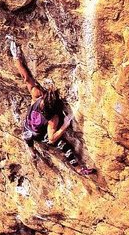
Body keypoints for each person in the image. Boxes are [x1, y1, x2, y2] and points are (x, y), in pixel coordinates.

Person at [8, 37, 95, 177]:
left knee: (29, 137)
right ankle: (79, 169)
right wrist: (65, 125)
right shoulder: (52, 119)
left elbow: (27, 79)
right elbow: (52, 138)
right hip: (36, 133)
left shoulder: (37, 97)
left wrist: (16, 58)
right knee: (64, 146)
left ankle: (32, 151)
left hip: (28, 128)